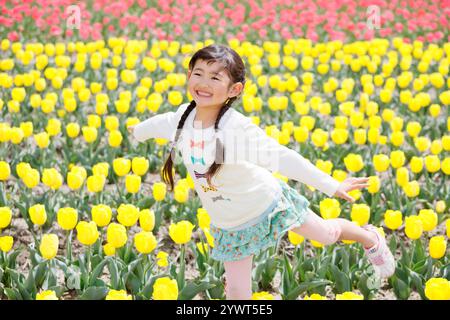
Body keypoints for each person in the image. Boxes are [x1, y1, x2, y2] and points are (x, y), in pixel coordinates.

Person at [128, 44, 395, 300]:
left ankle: (369, 237)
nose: (204, 83)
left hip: (267, 204)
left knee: (325, 235)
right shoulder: (182, 118)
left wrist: (331, 185)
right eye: (198, 73)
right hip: (230, 222)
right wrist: (138, 132)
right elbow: (159, 123)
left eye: (215, 77)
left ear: (234, 89)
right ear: (189, 76)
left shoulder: (237, 129)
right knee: (236, 293)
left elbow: (282, 156)